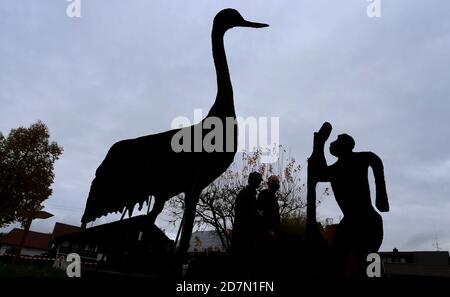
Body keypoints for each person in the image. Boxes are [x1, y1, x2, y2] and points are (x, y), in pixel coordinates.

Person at [316, 133, 390, 276]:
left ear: (343, 146)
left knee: (367, 259)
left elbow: (376, 161)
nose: (331, 144)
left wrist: (381, 196)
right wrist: (319, 143)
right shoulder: (334, 169)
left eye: (335, 141)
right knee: (339, 258)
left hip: (367, 220)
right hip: (354, 221)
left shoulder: (359, 159)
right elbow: (318, 172)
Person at [231, 171, 263, 276]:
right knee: (243, 267)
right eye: (256, 181)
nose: (257, 184)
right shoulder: (245, 194)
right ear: (251, 181)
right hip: (243, 236)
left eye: (258, 182)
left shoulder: (250, 194)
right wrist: (257, 214)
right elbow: (245, 214)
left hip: (246, 235)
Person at [256, 175, 281, 278]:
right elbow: (259, 213)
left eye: (277, 182)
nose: (276, 184)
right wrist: (268, 229)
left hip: (274, 233)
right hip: (266, 234)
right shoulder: (264, 194)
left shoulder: (273, 196)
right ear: (268, 183)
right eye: (274, 181)